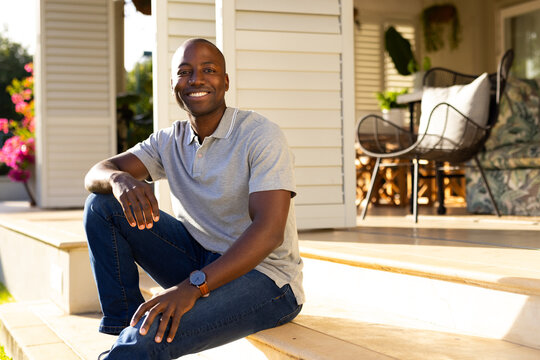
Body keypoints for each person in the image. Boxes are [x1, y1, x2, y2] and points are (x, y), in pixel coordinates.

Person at [83, 38, 304, 360]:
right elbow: (96, 174)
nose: (196, 79)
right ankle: (123, 329)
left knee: (149, 339)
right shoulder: (169, 140)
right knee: (102, 205)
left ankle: (131, 347)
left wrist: (193, 287)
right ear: (173, 84)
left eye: (208, 70)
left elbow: (269, 232)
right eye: (185, 72)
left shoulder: (260, 134)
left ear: (225, 82)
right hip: (199, 259)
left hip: (267, 280)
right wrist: (120, 179)